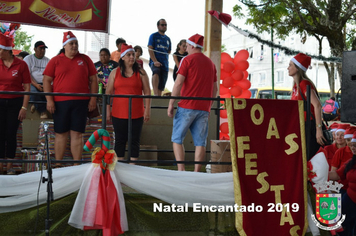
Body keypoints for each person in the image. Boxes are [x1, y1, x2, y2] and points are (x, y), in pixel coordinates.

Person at [43, 31, 98, 167]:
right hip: (60, 103)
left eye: (76, 43)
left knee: (77, 134)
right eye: (71, 43)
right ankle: (58, 164)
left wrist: (93, 100)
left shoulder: (85, 59)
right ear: (64, 46)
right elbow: (46, 80)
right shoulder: (55, 61)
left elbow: (93, 80)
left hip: (81, 102)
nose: (74, 46)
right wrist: (49, 100)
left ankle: (76, 165)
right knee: (60, 133)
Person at [167, 34, 218, 172]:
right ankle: (196, 172)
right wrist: (209, 106)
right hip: (204, 108)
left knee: (177, 138)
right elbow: (215, 89)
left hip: (187, 106)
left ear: (192, 45)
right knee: (200, 142)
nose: (186, 48)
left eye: (187, 45)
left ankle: (181, 170)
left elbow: (178, 83)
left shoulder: (186, 60)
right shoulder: (211, 63)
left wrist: (171, 103)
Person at [106, 44, 151, 164]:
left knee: (134, 140)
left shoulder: (141, 72)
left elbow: (147, 92)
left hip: (136, 113)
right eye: (129, 55)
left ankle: (132, 167)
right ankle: (120, 167)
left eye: (133, 54)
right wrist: (107, 110)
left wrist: (147, 110)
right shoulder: (114, 73)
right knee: (120, 140)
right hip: (118, 113)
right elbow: (108, 92)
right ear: (122, 57)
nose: (132, 57)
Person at [0, 34, 31, 174]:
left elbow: (27, 87)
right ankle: (1, 166)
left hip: (15, 102)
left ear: (6, 50)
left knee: (11, 133)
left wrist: (24, 107)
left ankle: (9, 166)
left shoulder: (21, 64)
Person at [288, 53, 324, 159]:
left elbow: (317, 105)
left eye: (290, 65)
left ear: (298, 68)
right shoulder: (296, 86)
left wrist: (319, 130)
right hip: (300, 126)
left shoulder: (304, 84)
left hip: (308, 126)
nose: (288, 68)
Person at [329, 132, 356, 236]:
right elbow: (336, 175)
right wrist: (315, 173)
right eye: (352, 146)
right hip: (349, 199)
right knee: (341, 224)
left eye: (355, 146)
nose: (353, 148)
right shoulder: (351, 162)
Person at [24, 41, 50, 119]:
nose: (42, 50)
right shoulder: (28, 59)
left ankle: (34, 104)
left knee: (50, 94)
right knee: (34, 92)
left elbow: (49, 75)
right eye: (40, 48)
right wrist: (36, 85)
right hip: (31, 83)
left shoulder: (48, 61)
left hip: (44, 82)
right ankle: (42, 111)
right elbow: (27, 75)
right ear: (35, 49)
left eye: (44, 49)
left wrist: (45, 85)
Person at [148, 19, 171, 96]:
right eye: (162, 25)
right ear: (158, 26)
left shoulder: (168, 39)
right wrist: (154, 61)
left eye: (165, 25)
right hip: (155, 61)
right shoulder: (153, 36)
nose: (164, 26)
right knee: (156, 72)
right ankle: (155, 94)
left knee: (162, 83)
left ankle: (158, 97)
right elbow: (150, 48)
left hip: (165, 64)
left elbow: (169, 51)